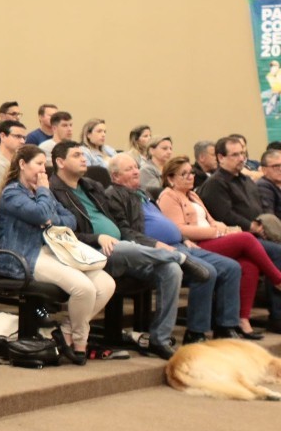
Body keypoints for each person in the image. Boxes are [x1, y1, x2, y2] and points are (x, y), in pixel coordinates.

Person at [48, 140, 185, 358]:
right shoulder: (53, 192)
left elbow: (119, 223)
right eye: (76, 155)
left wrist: (131, 239)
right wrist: (98, 237)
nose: (84, 159)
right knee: (125, 249)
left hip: (122, 249)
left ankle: (159, 339)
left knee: (171, 270)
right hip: (89, 252)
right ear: (60, 162)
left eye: (83, 155)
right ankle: (179, 257)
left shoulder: (91, 186)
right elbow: (61, 233)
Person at [103, 153, 240, 347]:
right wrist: (156, 244)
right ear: (116, 176)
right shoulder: (114, 195)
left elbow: (165, 222)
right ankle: (196, 332)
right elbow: (125, 231)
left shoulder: (143, 192)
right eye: (129, 169)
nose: (136, 171)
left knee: (231, 267)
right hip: (155, 250)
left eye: (135, 167)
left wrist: (184, 238)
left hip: (180, 244)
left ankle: (226, 327)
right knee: (206, 272)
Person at [0, 146, 115, 364]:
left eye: (45, 165)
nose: (44, 170)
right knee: (84, 288)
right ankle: (79, 341)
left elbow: (70, 219)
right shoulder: (12, 193)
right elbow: (41, 214)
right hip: (24, 256)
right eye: (39, 164)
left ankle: (66, 330)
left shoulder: (42, 192)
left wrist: (48, 216)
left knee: (106, 284)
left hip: (54, 251)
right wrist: (44, 198)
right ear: (22, 164)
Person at [159, 155, 281, 338]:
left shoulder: (193, 195)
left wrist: (223, 228)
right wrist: (217, 232)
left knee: (248, 264)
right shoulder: (168, 196)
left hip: (211, 238)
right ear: (170, 178)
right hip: (195, 245)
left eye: (191, 172)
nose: (190, 177)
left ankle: (240, 320)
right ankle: (278, 279)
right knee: (247, 238)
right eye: (184, 174)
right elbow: (180, 230)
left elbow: (210, 220)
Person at [200, 136, 281, 243]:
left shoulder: (246, 180)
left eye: (242, 153)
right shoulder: (215, 183)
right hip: (239, 237)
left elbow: (260, 207)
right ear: (221, 158)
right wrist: (251, 226)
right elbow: (224, 215)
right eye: (235, 155)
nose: (241, 158)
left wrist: (263, 225)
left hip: (261, 232)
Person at [0, 119, 26, 188]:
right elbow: (8, 193)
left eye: (24, 138)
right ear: (3, 136)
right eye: (17, 136)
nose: (22, 141)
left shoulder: (21, 162)